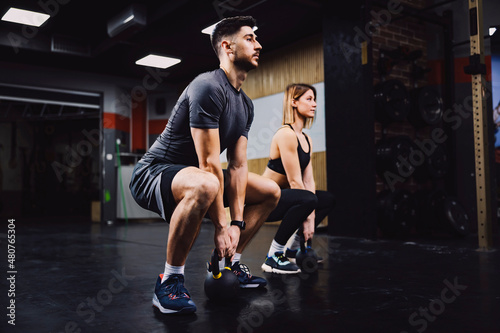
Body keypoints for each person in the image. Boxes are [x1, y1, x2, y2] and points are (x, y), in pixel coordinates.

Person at [129, 16, 280, 314]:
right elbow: (209, 163)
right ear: (227, 45)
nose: (259, 44)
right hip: (155, 172)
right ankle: (169, 282)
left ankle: (231, 263)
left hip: (197, 175)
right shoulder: (208, 86)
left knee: (270, 191)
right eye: (249, 38)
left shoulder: (245, 104)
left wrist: (236, 225)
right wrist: (221, 225)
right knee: (208, 183)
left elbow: (237, 166)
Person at [261, 83, 335, 274]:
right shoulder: (285, 134)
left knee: (326, 199)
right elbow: (295, 182)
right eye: (309, 99)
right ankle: (273, 256)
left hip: (287, 198)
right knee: (307, 200)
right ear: (294, 102)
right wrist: (309, 217)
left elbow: (308, 180)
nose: (315, 104)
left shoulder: (306, 139)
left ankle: (293, 249)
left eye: (315, 99)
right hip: (265, 203)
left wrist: (310, 211)